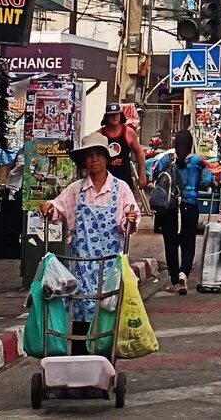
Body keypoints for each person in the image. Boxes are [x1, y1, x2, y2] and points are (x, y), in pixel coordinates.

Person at [41, 132, 138, 352]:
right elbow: (58, 207)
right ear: (84, 161)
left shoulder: (121, 188)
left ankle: (104, 361)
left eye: (98, 155)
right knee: (80, 314)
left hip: (109, 267)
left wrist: (130, 220)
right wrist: (48, 207)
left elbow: (131, 217)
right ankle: (78, 362)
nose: (94, 159)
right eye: (89, 156)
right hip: (81, 267)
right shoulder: (76, 189)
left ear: (106, 158)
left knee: (106, 314)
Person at [152, 131, 213, 294]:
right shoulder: (196, 161)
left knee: (170, 243)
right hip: (190, 205)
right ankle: (183, 274)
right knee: (188, 242)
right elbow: (207, 180)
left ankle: (174, 280)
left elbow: (155, 175)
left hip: (169, 206)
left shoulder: (166, 158)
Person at [97, 104, 147, 192]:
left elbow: (140, 153)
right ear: (106, 117)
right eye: (111, 115)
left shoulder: (128, 132)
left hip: (124, 181)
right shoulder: (99, 135)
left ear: (120, 115)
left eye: (117, 114)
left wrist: (142, 175)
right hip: (104, 182)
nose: (114, 117)